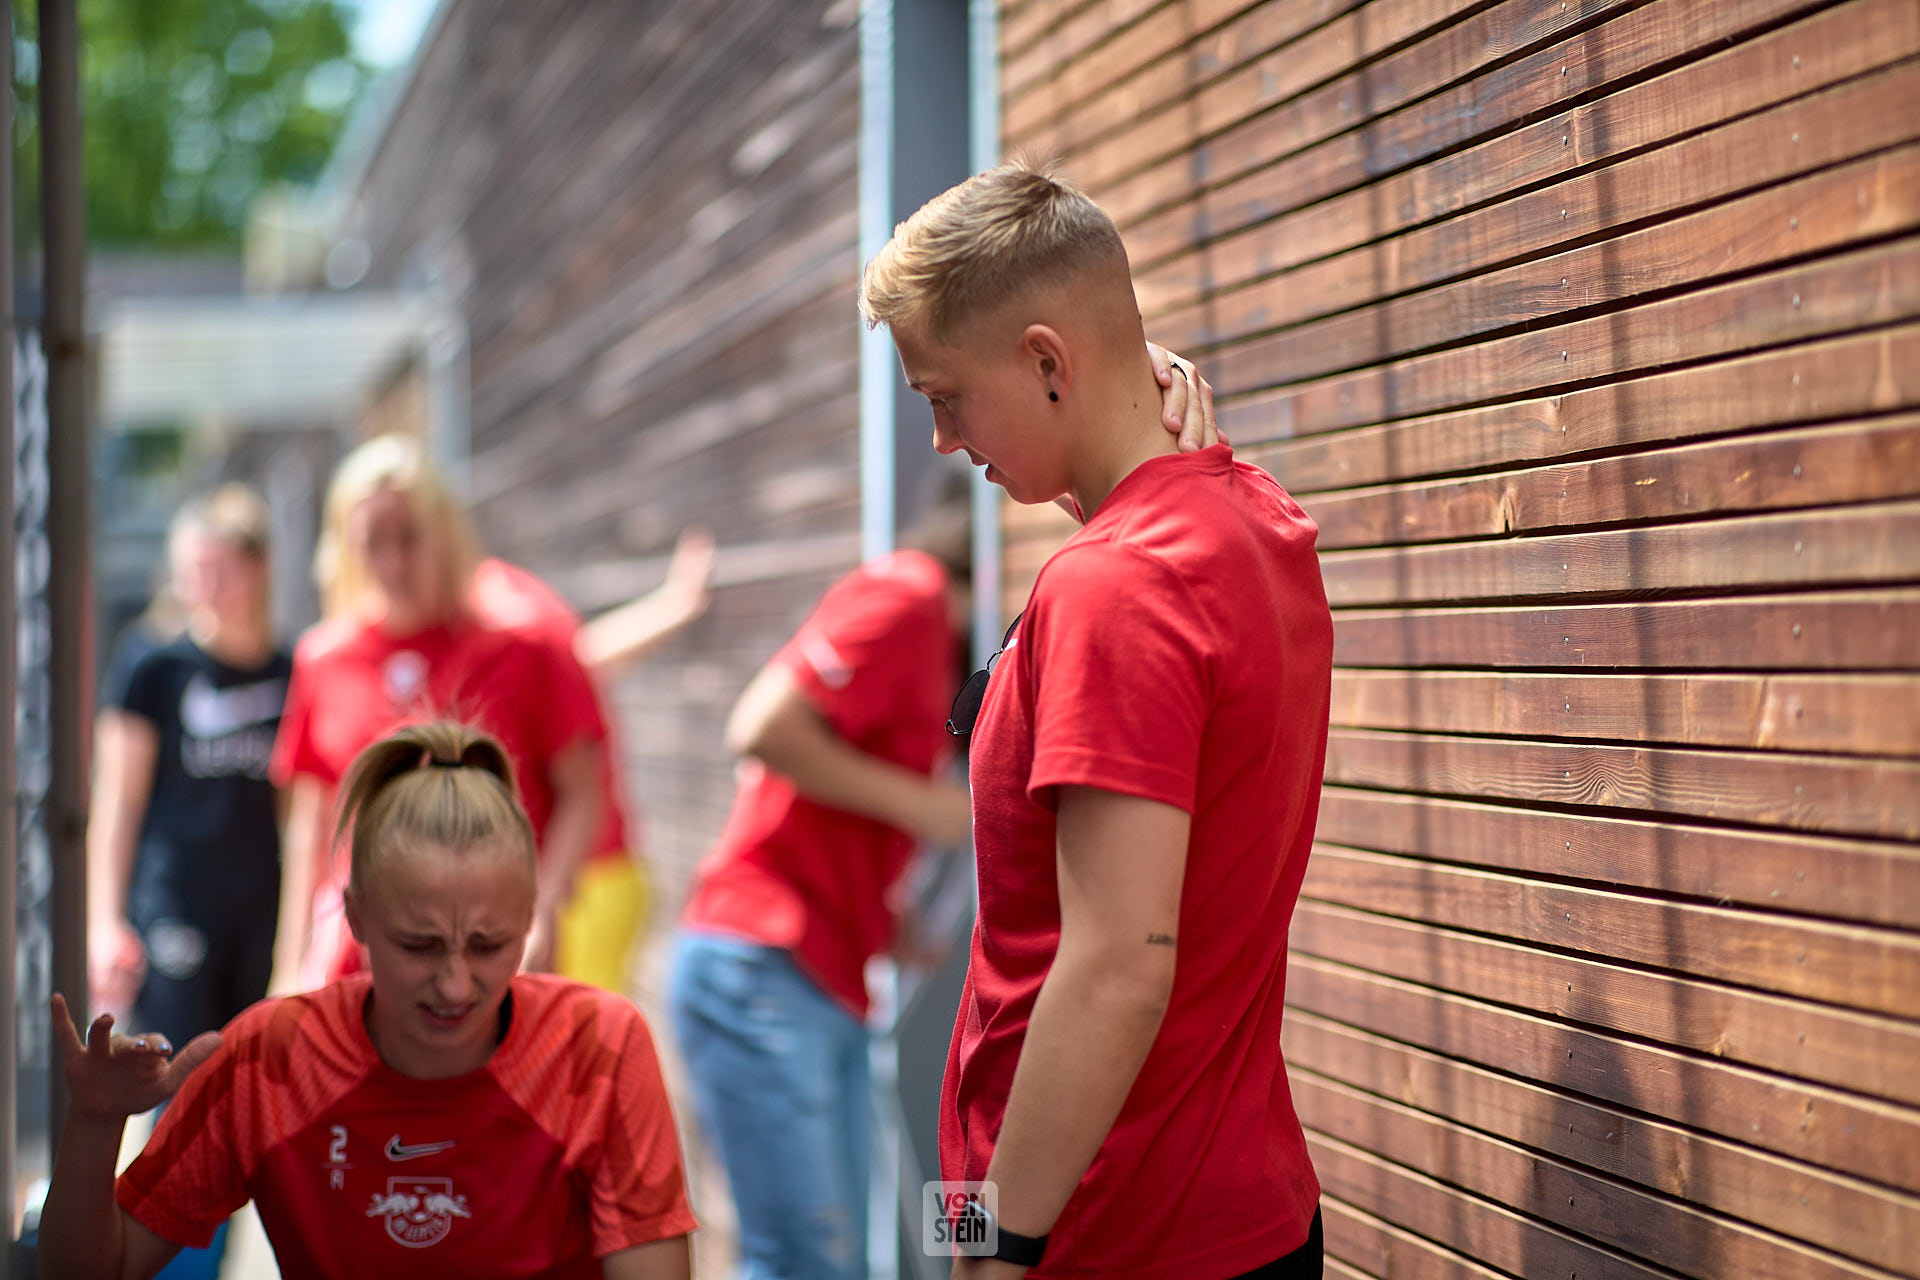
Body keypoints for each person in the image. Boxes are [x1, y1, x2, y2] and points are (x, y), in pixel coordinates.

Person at [860, 159, 1332, 1277]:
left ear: (1044, 361)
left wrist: (990, 1250)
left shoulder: (1115, 585)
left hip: (1098, 1228)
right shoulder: (1250, 518)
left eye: (943, 397)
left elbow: (1120, 964)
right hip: (1192, 1203)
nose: (940, 440)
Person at [40, 720, 698, 1279]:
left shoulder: (599, 1046)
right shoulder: (270, 1059)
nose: (456, 983)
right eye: (420, 945)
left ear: (530, 919)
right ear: (354, 917)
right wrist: (96, 1125)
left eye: (491, 944)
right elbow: (99, 1268)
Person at [667, 489, 971, 1280]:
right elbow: (761, 726)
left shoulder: (940, 638)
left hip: (822, 973)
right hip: (760, 962)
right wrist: (928, 807)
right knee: (804, 1261)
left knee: (833, 1262)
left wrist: (884, 906)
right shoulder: (913, 590)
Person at [271, 435, 605, 990]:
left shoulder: (524, 646)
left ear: (445, 535)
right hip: (363, 959)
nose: (393, 563)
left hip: (492, 949)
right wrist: (288, 969)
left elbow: (583, 792)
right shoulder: (322, 659)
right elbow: (312, 824)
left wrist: (544, 907)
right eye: (372, 544)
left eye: (410, 538)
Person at [85, 484, 292, 1280]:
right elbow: (117, 801)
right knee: (182, 1103)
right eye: (191, 568)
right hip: (174, 914)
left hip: (263, 922)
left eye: (220, 567)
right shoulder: (153, 665)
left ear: (258, 568)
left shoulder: (293, 667)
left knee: (262, 1105)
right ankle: (177, 1271)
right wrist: (106, 919)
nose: (204, 583)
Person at [471, 528, 715, 992]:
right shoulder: (503, 601)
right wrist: (672, 605)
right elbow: (584, 658)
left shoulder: (497, 611)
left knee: (580, 1049)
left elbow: (573, 663)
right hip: (594, 879)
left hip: (584, 881)